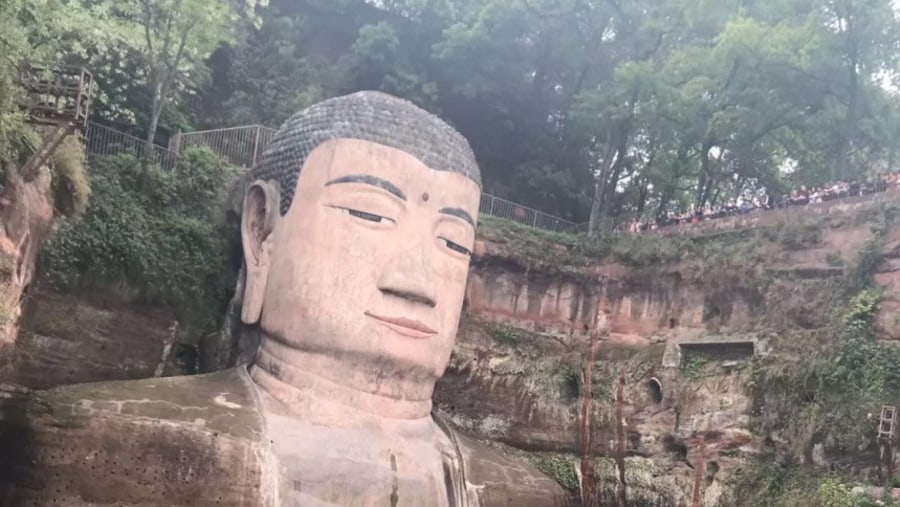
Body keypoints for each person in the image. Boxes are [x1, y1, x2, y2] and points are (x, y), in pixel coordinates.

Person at [0, 91, 570, 506]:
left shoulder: (517, 491)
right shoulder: (102, 441)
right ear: (261, 230)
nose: (417, 281)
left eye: (453, 243)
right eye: (369, 213)